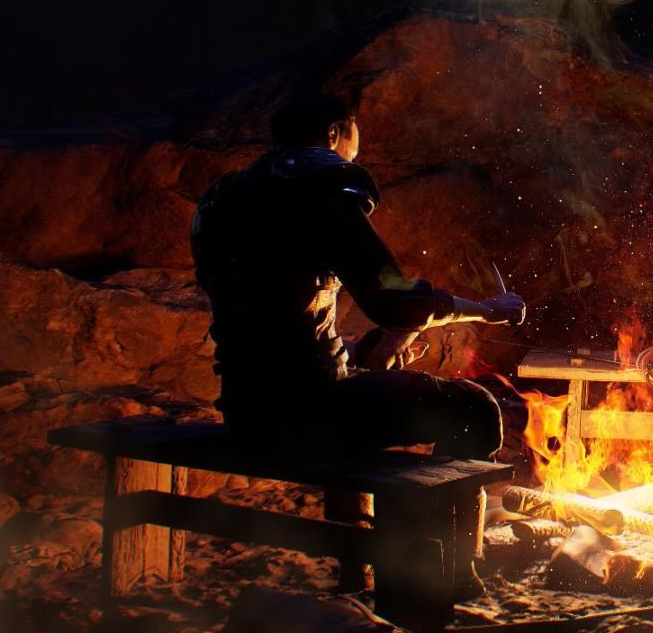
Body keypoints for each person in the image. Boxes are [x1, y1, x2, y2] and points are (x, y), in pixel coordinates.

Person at [191, 90, 525, 589]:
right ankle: (441, 572)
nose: (354, 149)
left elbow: (269, 324)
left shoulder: (227, 198)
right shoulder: (321, 188)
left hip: (246, 409)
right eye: (353, 136)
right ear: (335, 133)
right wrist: (488, 310)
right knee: (475, 408)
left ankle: (360, 567)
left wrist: (360, 351)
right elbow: (394, 299)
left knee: (364, 392)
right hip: (304, 417)